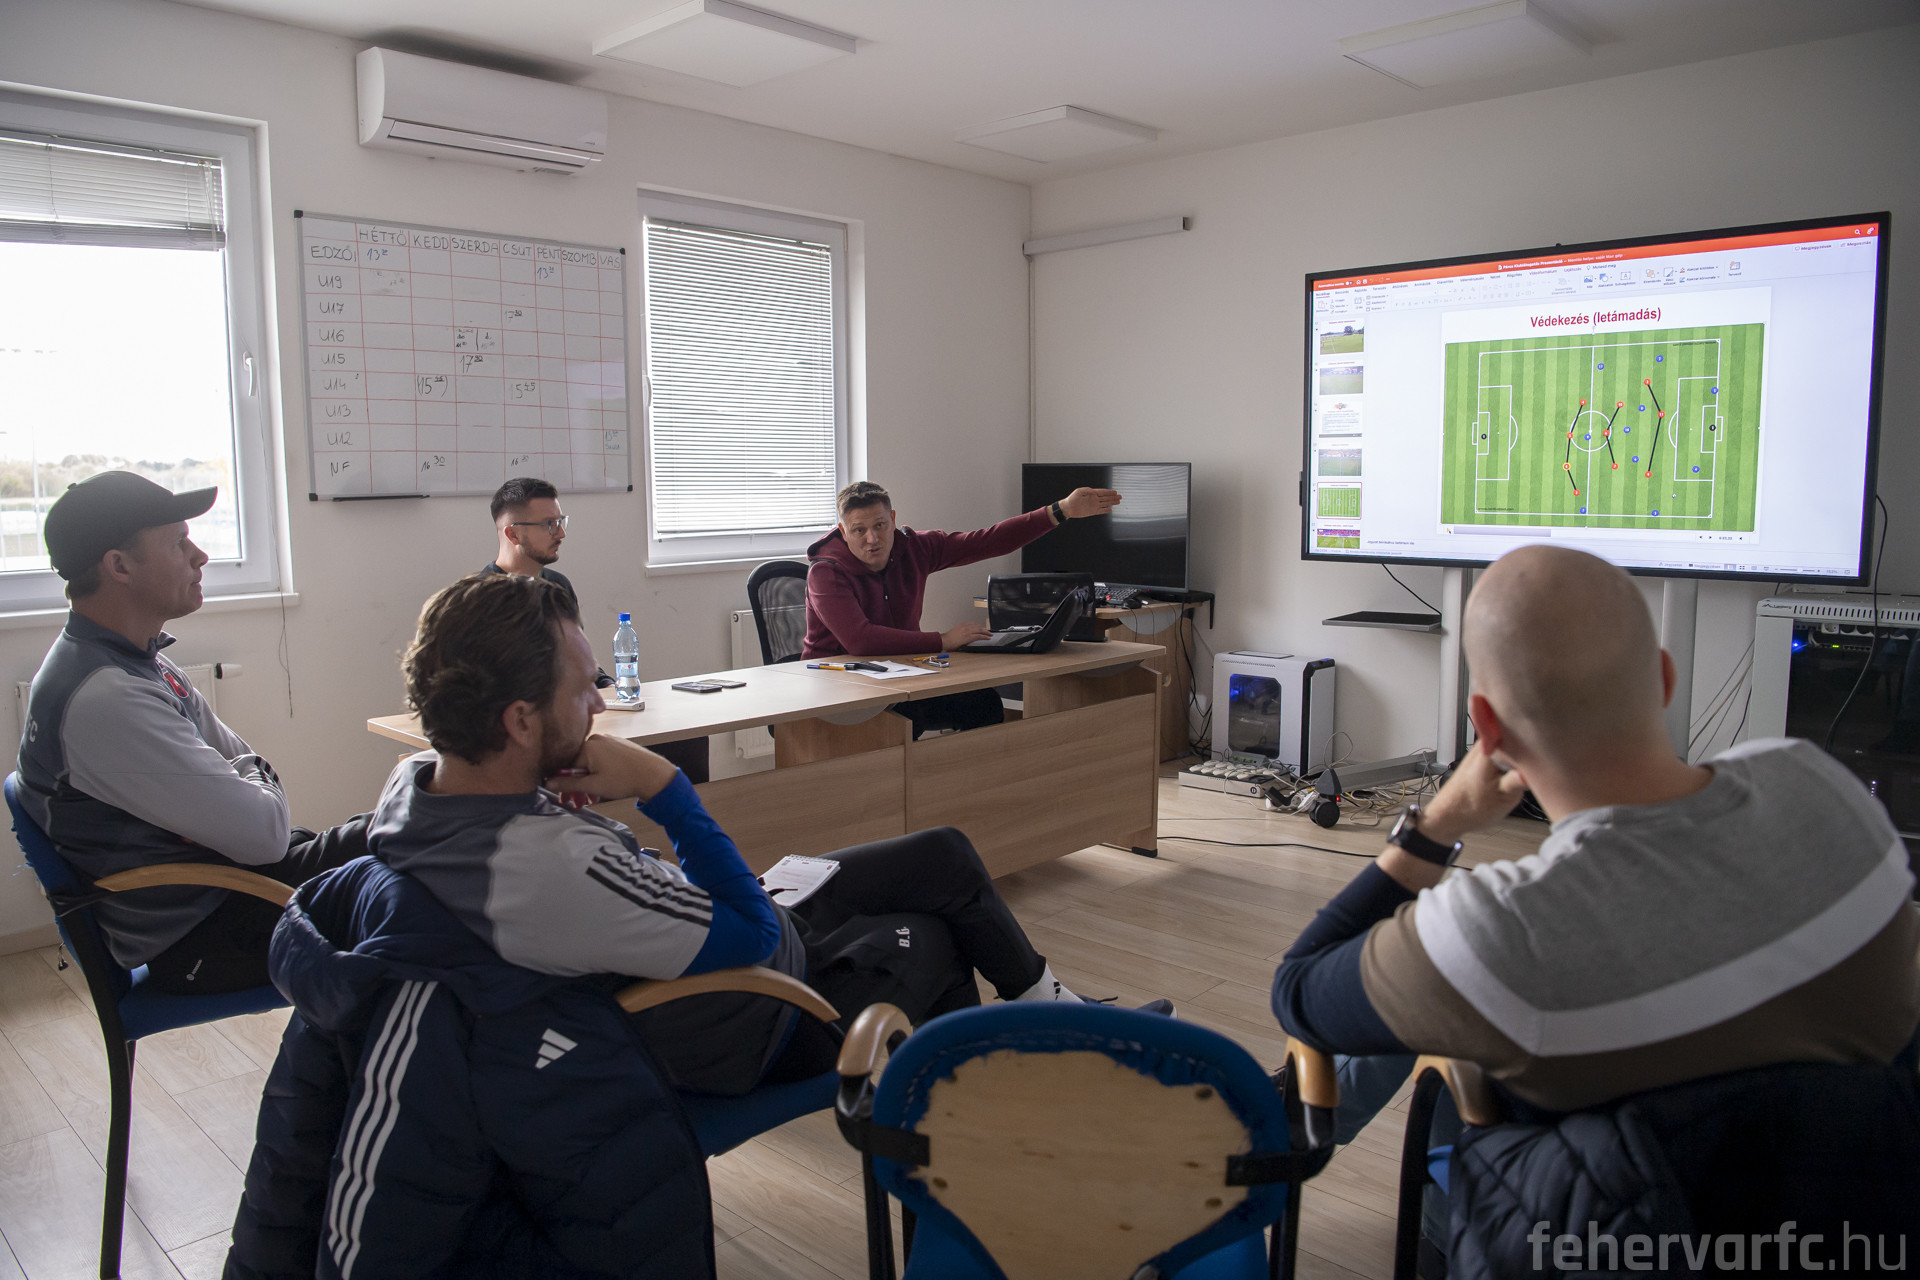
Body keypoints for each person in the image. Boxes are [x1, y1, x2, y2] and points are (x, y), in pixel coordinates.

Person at [376, 572, 1170, 1094]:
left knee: (942, 853)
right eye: (585, 689)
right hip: (755, 1011)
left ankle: (1044, 1020)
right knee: (933, 934)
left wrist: (545, 795)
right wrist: (662, 785)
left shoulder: (415, 793)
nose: (600, 705)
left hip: (705, 941)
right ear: (519, 722)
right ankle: (999, 1106)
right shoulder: (552, 864)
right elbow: (752, 937)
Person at [1271, 544, 1920, 1140]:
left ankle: (1275, 1141)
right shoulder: (1826, 789)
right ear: (1664, 679)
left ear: (1486, 729)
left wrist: (1437, 824)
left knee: (1450, 1040)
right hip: (1867, 1192)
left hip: (1610, 1216)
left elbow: (1299, 990)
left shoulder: (1493, 932)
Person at [17, 472, 367, 994]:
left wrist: (241, 783)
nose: (200, 556)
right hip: (200, 931)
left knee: (407, 832)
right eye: (178, 543)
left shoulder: (138, 660)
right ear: (119, 566)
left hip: (225, 884)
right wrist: (248, 778)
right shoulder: (105, 696)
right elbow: (264, 830)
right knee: (421, 891)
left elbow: (249, 791)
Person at [802, 479, 1120, 736]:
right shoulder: (825, 572)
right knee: (907, 717)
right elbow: (860, 640)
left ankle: (972, 790)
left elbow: (986, 541)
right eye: (859, 530)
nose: (873, 539)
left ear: (893, 520)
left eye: (880, 525)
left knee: (982, 704)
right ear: (843, 532)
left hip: (900, 674)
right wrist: (943, 640)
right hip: (835, 685)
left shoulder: (915, 548)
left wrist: (1060, 510)